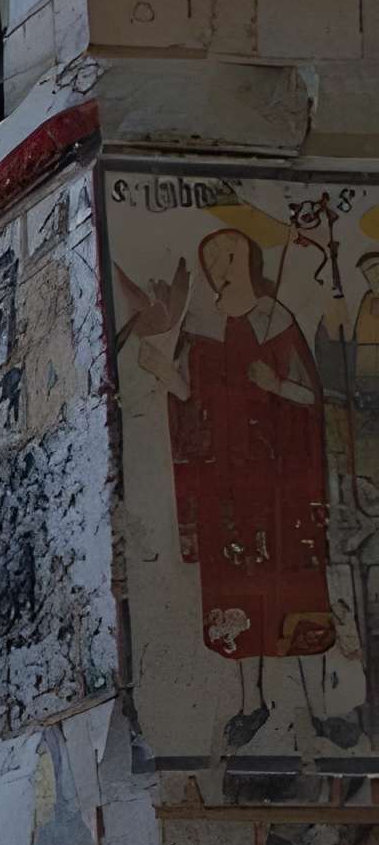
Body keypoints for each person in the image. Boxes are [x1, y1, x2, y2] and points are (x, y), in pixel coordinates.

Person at [137, 227, 334, 665]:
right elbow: (189, 398)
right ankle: (251, 703)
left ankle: (314, 704)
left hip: (277, 477)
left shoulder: (275, 318)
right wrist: (162, 371)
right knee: (237, 601)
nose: (219, 265)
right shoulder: (201, 326)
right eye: (213, 258)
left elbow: (311, 397)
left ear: (249, 258)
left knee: (288, 594)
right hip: (225, 478)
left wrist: (276, 383)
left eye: (229, 254)